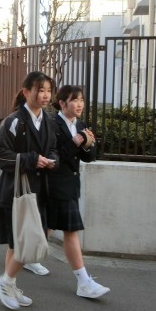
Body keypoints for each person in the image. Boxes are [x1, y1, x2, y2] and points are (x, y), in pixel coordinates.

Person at [0, 71, 58, 310]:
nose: (45, 95)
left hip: (38, 190)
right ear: (26, 92)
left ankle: (9, 284)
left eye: (48, 91)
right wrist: (32, 159)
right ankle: (5, 282)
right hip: (16, 192)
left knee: (18, 243)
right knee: (22, 241)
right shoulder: (14, 121)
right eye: (40, 90)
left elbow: (53, 149)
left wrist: (52, 160)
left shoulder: (48, 121)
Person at [48, 85, 110, 298]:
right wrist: (76, 142)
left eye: (81, 100)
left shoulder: (80, 125)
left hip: (71, 185)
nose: (80, 104)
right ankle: (84, 281)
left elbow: (89, 157)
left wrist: (87, 145)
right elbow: (54, 157)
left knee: (48, 229)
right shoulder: (52, 124)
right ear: (62, 103)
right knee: (67, 231)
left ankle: (23, 259)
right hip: (54, 185)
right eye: (75, 100)